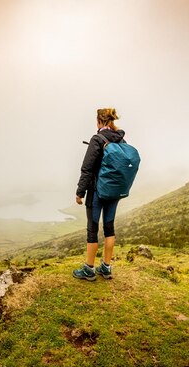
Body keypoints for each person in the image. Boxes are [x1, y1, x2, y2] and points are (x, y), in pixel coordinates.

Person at [73, 108, 125, 281]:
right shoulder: (120, 139)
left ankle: (89, 269)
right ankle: (106, 267)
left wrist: (80, 192)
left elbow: (87, 169)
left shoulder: (97, 139)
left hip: (97, 191)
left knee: (92, 229)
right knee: (109, 228)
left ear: (99, 121)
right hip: (114, 191)